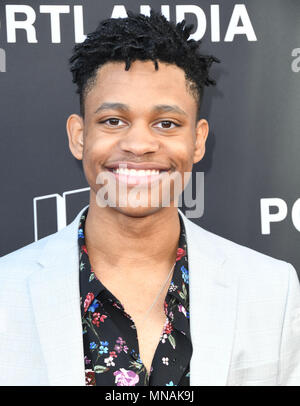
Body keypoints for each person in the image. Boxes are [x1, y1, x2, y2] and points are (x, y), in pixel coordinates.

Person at [0, 10, 300, 387]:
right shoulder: (5, 292)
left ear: (198, 140)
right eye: (113, 121)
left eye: (166, 124)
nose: (139, 145)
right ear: (79, 136)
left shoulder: (271, 290)